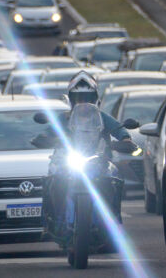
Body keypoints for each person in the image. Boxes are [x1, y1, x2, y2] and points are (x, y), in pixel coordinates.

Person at [39, 71, 135, 240]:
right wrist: (45, 139)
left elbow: (120, 130)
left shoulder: (103, 117)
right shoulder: (63, 118)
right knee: (53, 180)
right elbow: (48, 132)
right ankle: (54, 222)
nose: (83, 101)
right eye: (78, 97)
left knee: (113, 180)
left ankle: (110, 222)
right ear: (72, 99)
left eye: (87, 97)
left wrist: (125, 140)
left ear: (94, 98)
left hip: (99, 162)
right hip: (68, 161)